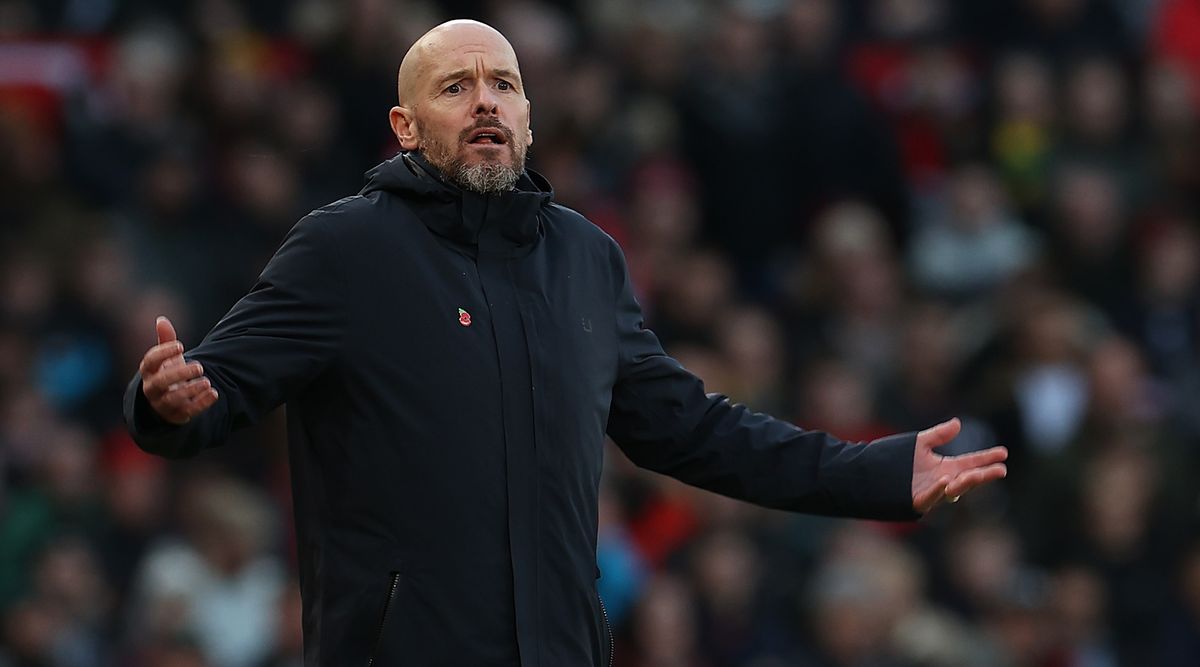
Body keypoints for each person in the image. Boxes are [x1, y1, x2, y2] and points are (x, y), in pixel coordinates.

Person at [122, 19, 1008, 667]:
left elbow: (694, 430)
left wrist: (879, 473)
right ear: (404, 126)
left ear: (529, 118)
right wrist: (162, 403)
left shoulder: (586, 259)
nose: (484, 103)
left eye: (503, 84)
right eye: (455, 86)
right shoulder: (344, 248)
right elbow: (215, 388)